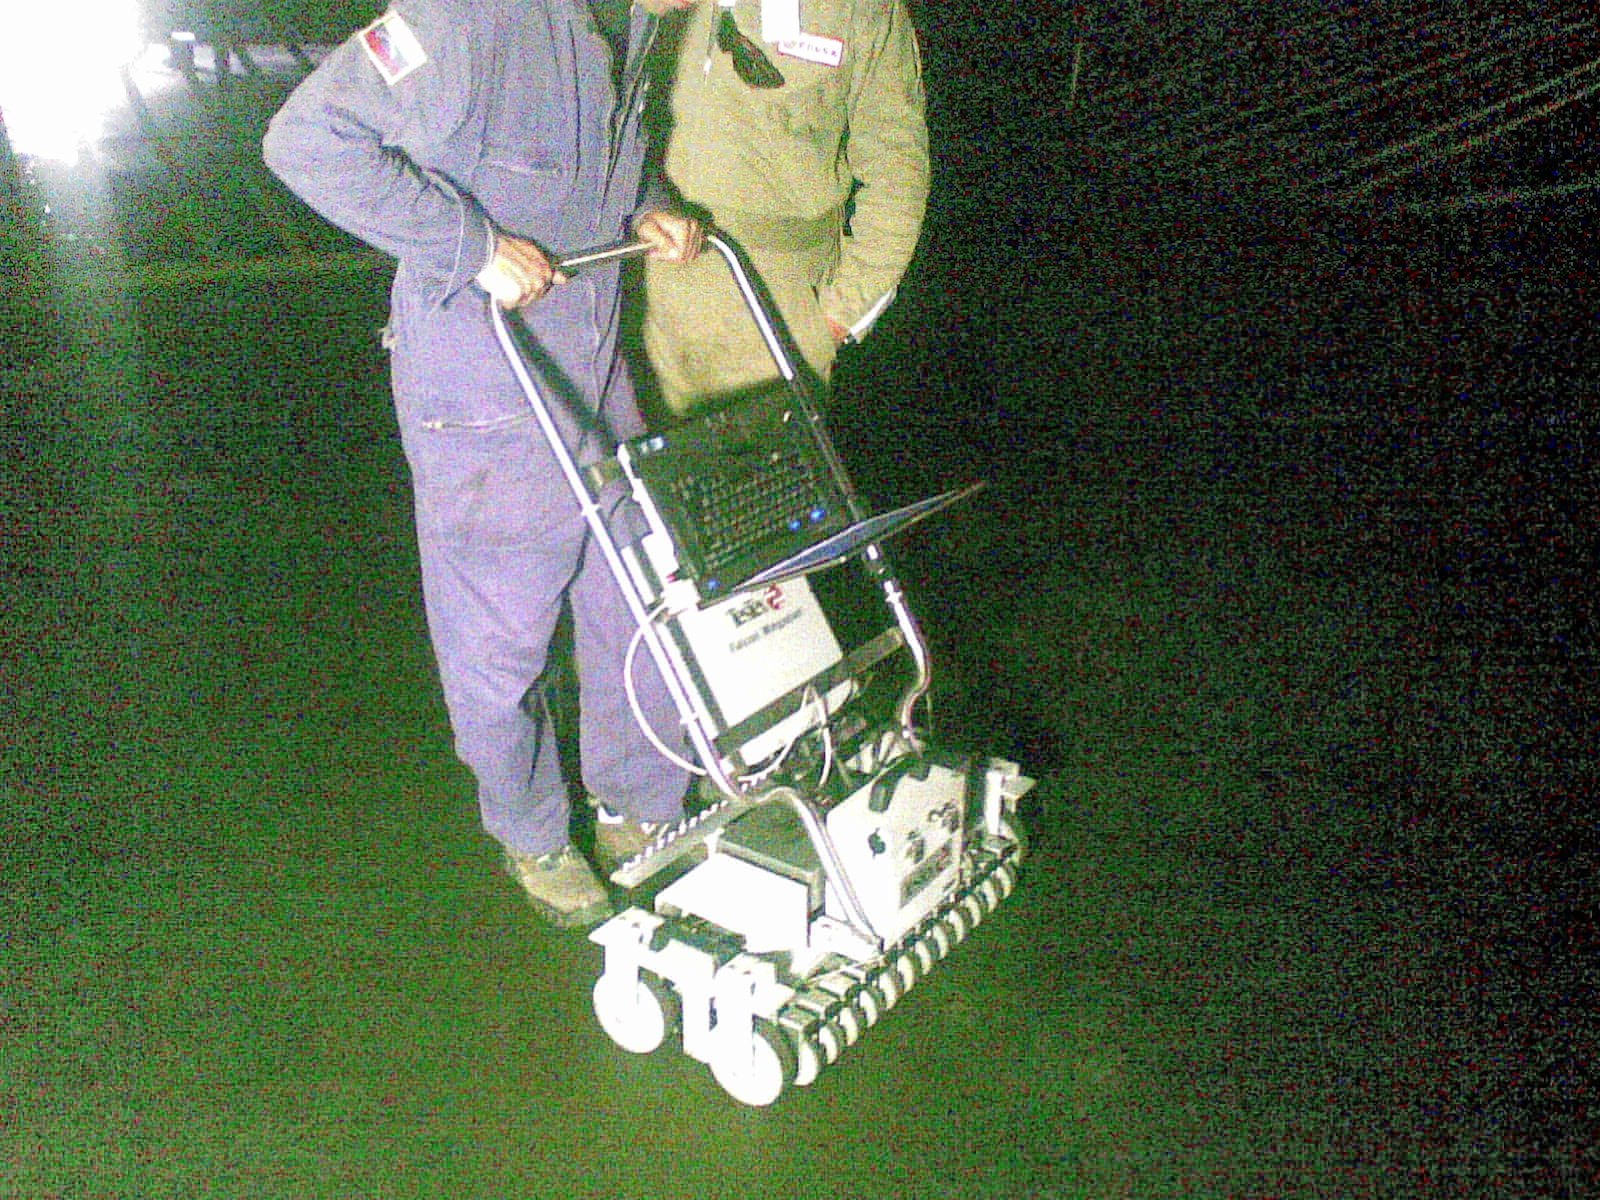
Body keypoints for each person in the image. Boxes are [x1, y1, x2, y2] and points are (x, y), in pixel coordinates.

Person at [262, 0, 705, 928]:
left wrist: (653, 208)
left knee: (638, 593)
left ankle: (637, 802)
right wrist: (472, 248)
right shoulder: (471, 17)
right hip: (482, 379)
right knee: (500, 642)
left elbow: (604, 159)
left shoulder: (635, 20)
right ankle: (532, 832)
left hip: (591, 358)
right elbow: (305, 140)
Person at [639, 0, 930, 416]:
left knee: (764, 477)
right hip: (647, 300)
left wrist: (837, 316)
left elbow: (897, 170)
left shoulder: (863, 10)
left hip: (774, 315)